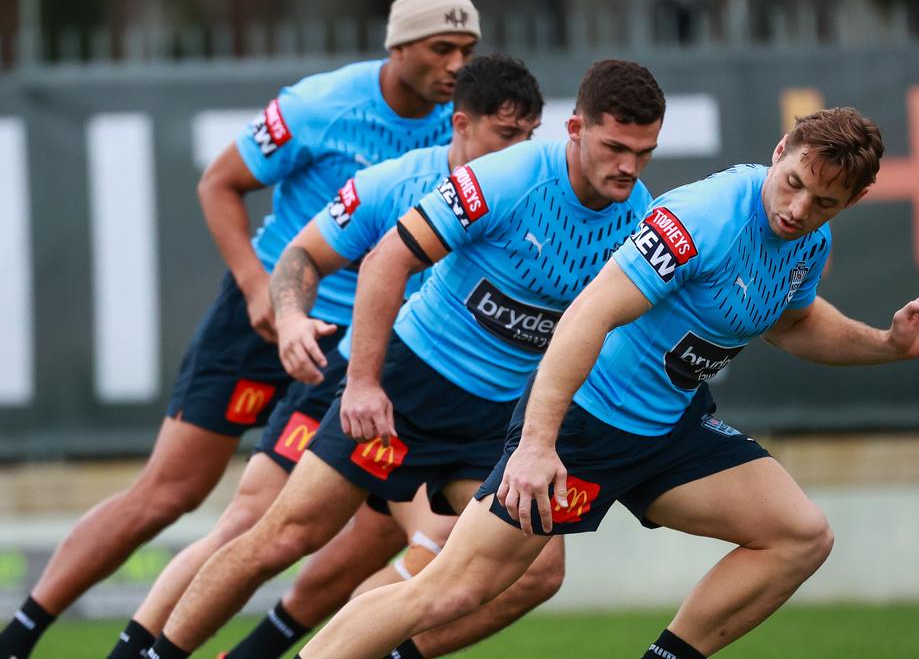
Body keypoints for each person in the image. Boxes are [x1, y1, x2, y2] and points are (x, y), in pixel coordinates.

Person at [296, 108, 919, 659]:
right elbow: (589, 311)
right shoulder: (702, 218)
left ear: (852, 200)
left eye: (825, 202)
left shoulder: (807, 239)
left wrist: (888, 343)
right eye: (792, 182)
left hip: (667, 427)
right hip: (585, 423)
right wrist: (537, 444)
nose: (798, 208)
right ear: (780, 146)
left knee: (799, 535)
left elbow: (793, 324)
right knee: (447, 591)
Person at [0, 0, 480, 659]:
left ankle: (255, 644)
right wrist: (257, 287)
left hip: (354, 342)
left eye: (466, 51)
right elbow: (219, 184)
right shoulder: (320, 106)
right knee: (170, 494)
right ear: (397, 46)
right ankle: (13, 642)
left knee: (338, 520)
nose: (455, 65)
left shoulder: (468, 129)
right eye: (440, 48)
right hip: (262, 318)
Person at [143, 58, 668, 659]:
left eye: (643, 152)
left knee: (539, 572)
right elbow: (386, 259)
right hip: (409, 387)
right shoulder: (503, 178)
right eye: (614, 147)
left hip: (495, 418)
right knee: (285, 535)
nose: (627, 166)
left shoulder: (641, 218)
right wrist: (363, 383)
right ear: (576, 129)